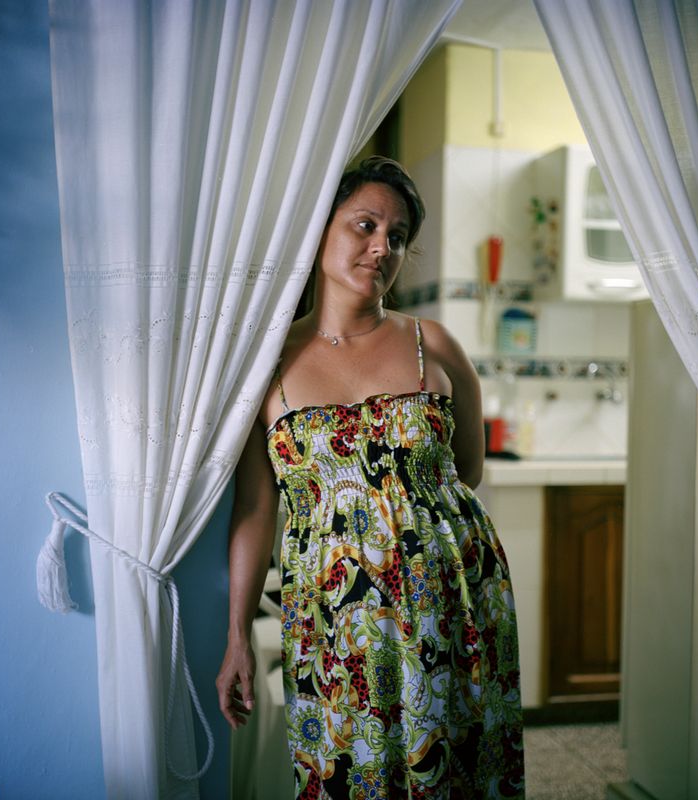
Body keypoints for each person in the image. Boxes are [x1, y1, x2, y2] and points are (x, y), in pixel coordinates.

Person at [216, 156, 524, 798]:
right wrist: (237, 634)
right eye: (365, 225)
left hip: (452, 606)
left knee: (455, 773)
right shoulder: (266, 367)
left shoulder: (433, 345)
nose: (383, 246)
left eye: (399, 235)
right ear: (320, 230)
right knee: (350, 772)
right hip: (335, 623)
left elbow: (463, 472)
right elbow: (254, 508)